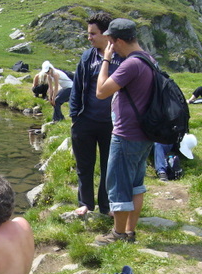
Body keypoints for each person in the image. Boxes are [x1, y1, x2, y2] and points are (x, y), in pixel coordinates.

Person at [94, 18, 156, 244]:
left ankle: (118, 234)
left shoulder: (131, 64)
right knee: (136, 185)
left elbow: (101, 91)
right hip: (145, 134)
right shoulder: (149, 59)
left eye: (111, 41)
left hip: (127, 135)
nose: (110, 45)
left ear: (118, 40)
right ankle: (130, 231)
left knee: (119, 185)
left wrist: (106, 60)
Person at [69, 12, 122, 216]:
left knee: (109, 166)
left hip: (112, 124)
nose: (89, 37)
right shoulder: (87, 57)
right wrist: (75, 117)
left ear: (106, 34)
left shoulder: (120, 57)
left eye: (93, 33)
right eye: (88, 33)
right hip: (85, 121)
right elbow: (77, 89)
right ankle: (85, 204)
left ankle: (106, 206)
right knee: (84, 165)